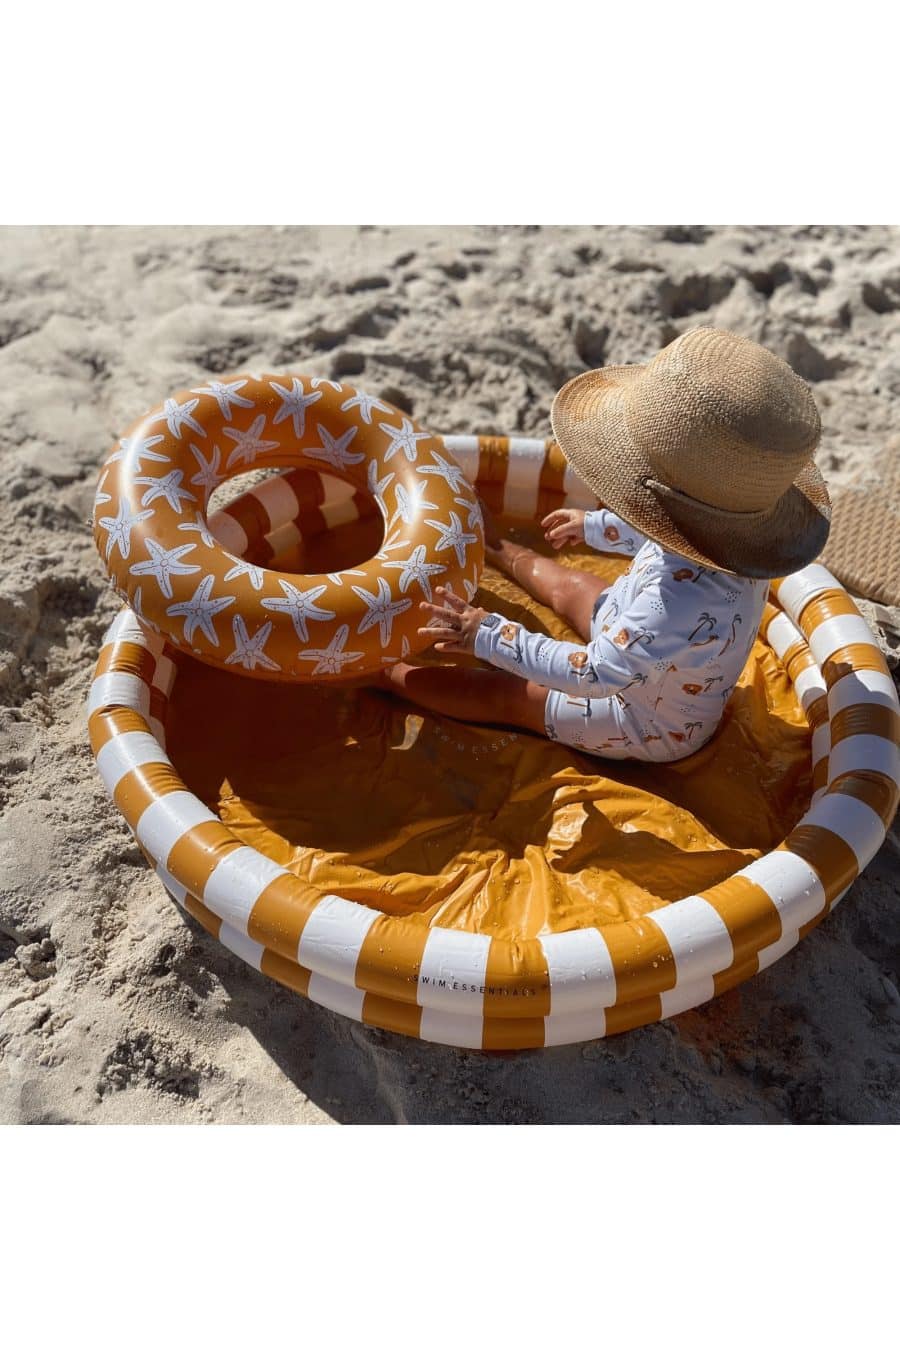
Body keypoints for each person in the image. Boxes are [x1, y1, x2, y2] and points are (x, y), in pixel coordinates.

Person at [378, 326, 832, 763]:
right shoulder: (733, 536)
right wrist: (595, 528)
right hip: (642, 643)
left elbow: (591, 673)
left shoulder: (672, 605)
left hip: (638, 720)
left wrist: (488, 635)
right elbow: (662, 531)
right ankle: (499, 549)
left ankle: (387, 676)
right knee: (573, 585)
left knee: (509, 695)